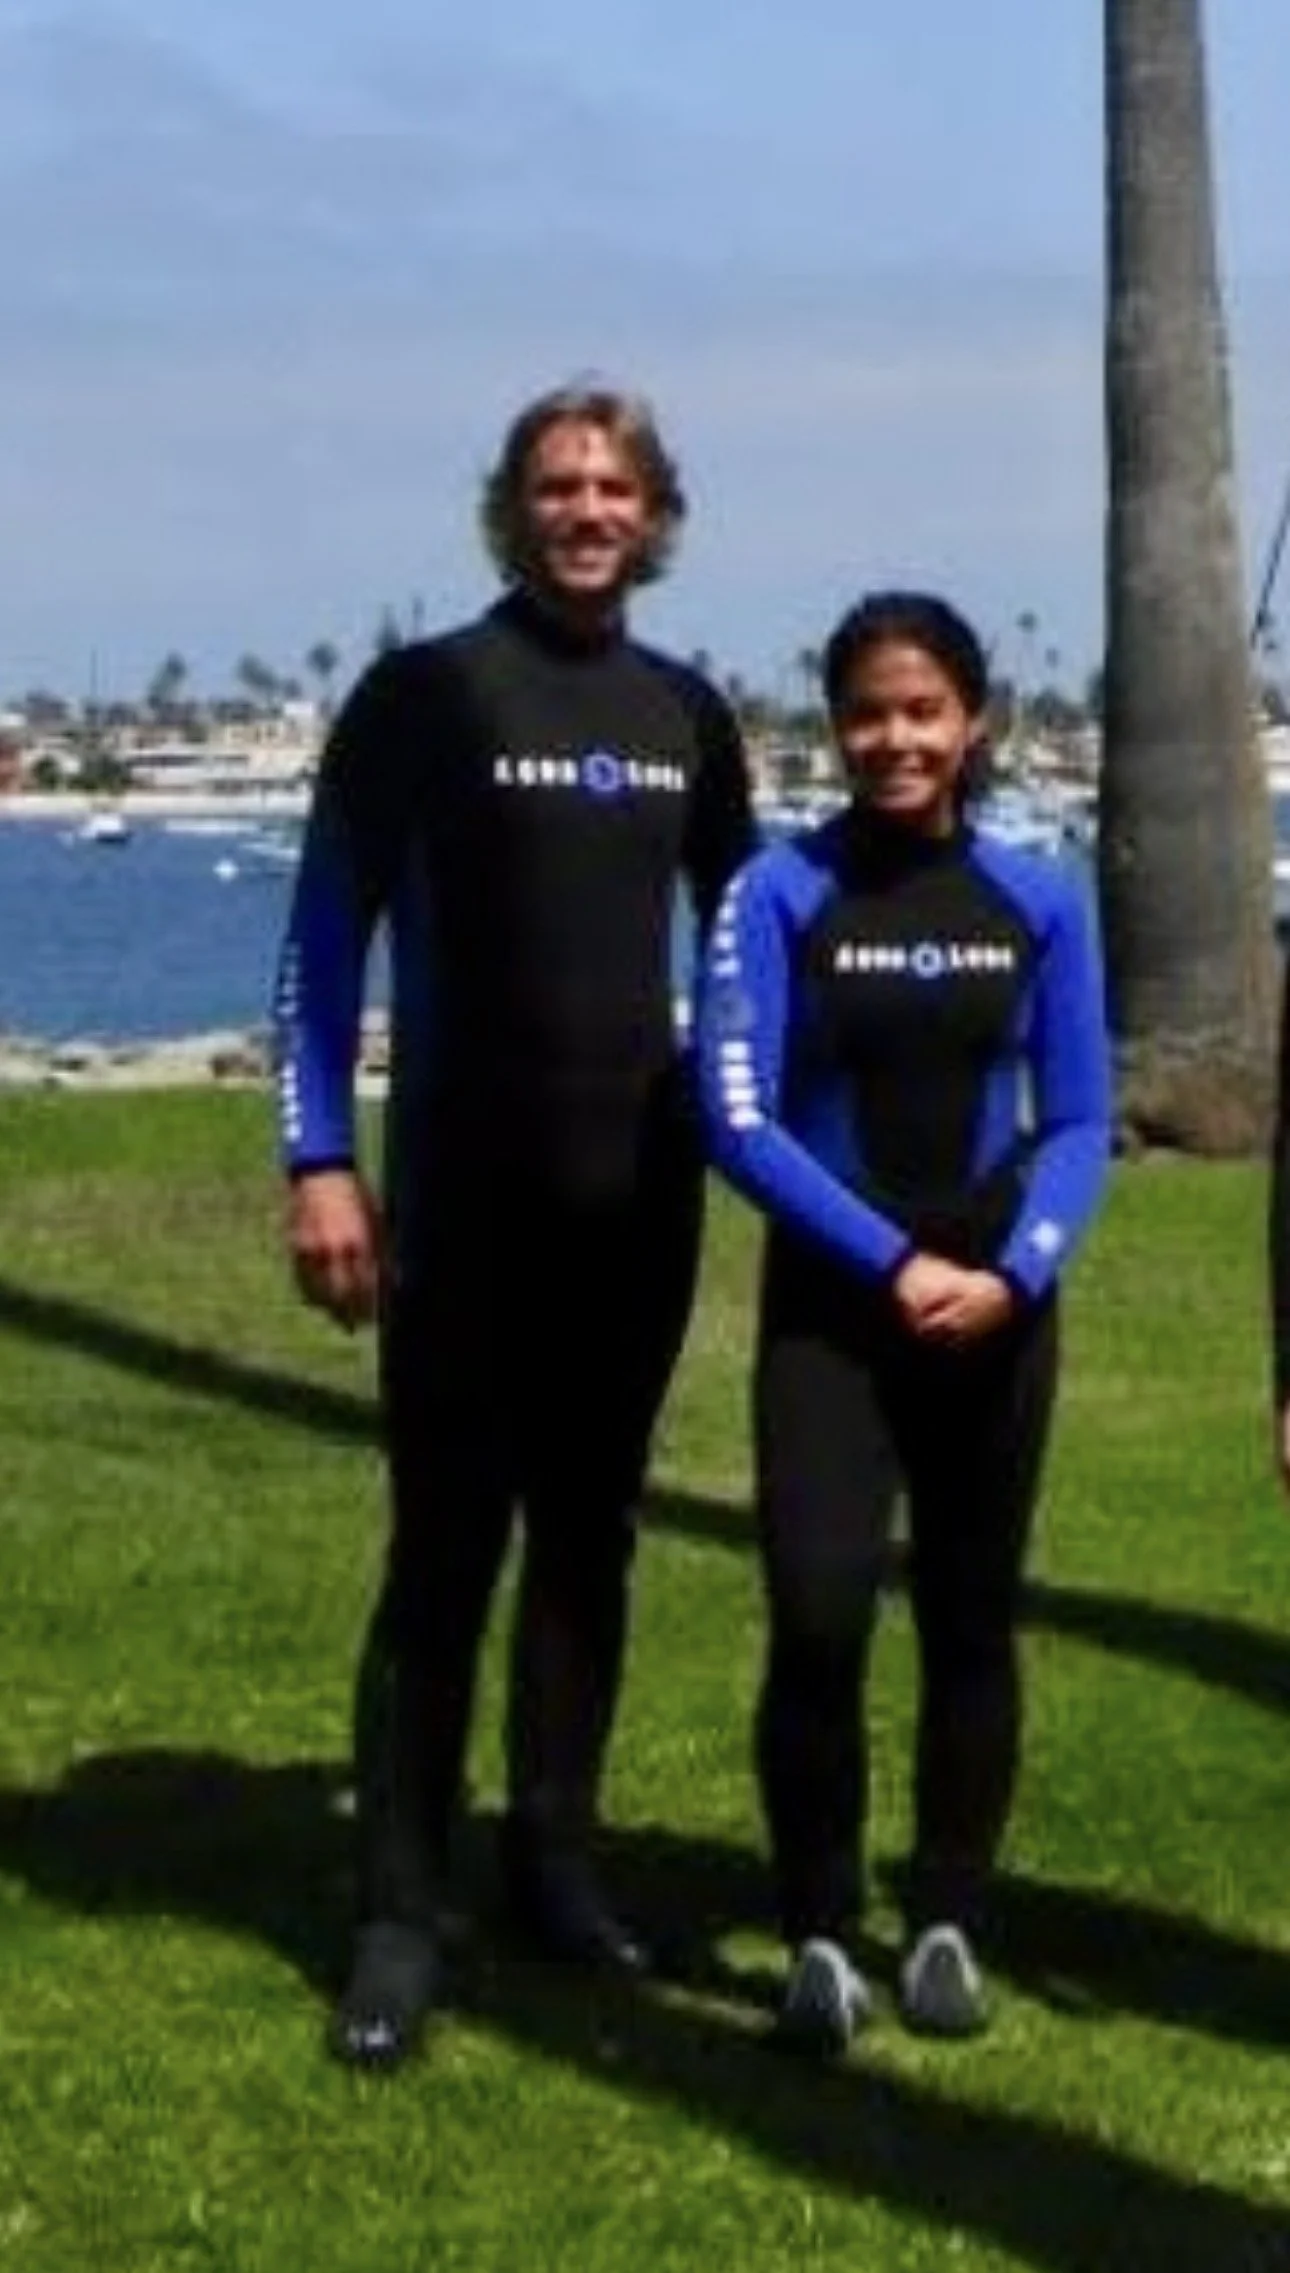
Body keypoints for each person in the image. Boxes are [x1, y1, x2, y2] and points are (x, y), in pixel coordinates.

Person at [272, 381, 754, 2070]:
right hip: (459, 1197)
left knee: (590, 1537)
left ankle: (557, 1860)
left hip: (631, 1201)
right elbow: (324, 932)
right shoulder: (426, 694)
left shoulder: (687, 715)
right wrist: (318, 1156)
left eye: (612, 486)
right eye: (556, 484)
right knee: (443, 1545)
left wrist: (751, 1122)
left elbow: (739, 945)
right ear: (512, 509)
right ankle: (401, 1910)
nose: (584, 510)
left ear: (653, 514)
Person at [695, 591, 1111, 2050]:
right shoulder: (775, 894)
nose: (894, 739)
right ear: (836, 724)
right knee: (815, 1616)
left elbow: (1075, 1121)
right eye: (867, 711)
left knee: (968, 1617)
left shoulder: (1037, 896)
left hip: (996, 1312)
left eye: (922, 710)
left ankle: (943, 1915)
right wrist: (889, 1265)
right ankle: (816, 1926)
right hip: (835, 1315)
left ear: (973, 722)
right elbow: (735, 1120)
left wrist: (1016, 1271)